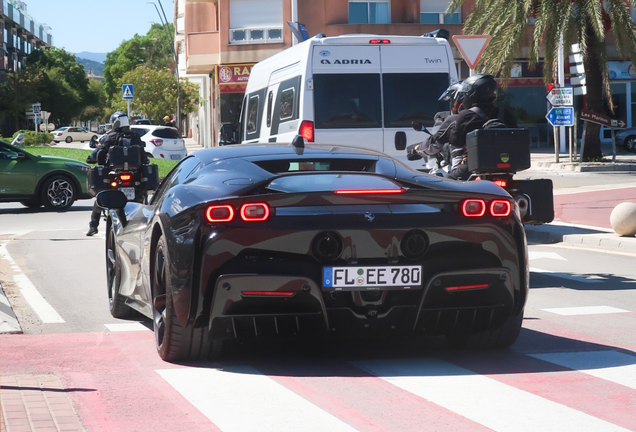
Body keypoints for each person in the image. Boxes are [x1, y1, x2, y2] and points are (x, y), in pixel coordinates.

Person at [86, 111, 148, 236]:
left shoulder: (111, 137)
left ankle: (93, 226)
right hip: (134, 174)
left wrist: (102, 164)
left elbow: (101, 153)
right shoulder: (135, 136)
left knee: (101, 196)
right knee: (142, 192)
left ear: (115, 123)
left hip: (115, 174)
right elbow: (143, 154)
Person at [446, 73, 517, 180]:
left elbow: (456, 144)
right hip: (506, 168)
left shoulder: (466, 116)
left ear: (473, 94)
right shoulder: (506, 114)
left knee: (446, 182)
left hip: (471, 167)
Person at [407, 82, 464, 167]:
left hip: (462, 172)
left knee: (444, 179)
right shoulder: (487, 117)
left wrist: (417, 149)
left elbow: (435, 141)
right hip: (484, 172)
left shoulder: (455, 120)